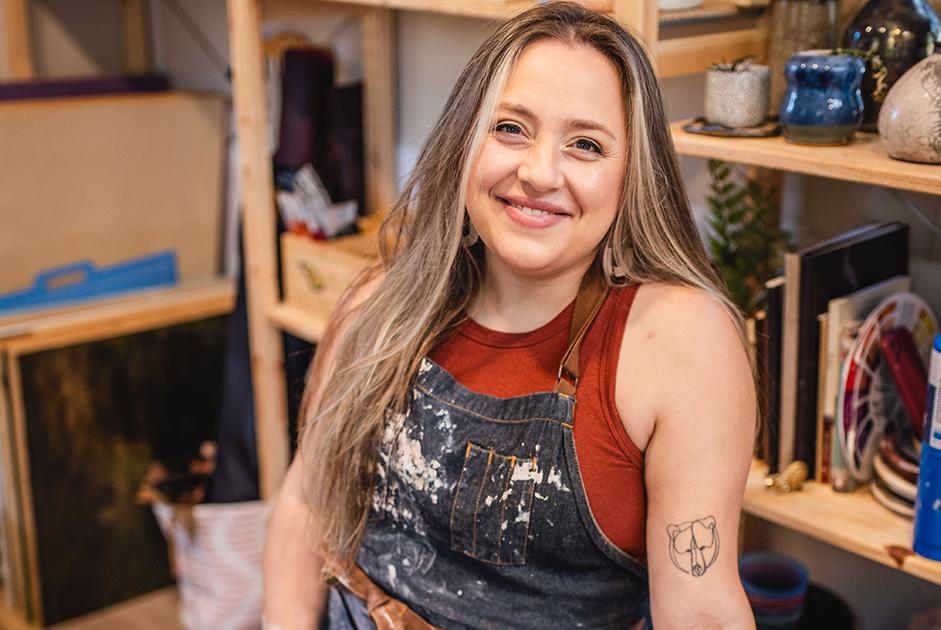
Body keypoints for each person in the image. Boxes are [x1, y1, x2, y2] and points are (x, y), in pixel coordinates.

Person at [263, 3, 757, 629]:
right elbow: (306, 506)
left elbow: (703, 613)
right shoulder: (380, 303)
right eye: (510, 129)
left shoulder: (682, 344)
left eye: (586, 144)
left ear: (633, 175)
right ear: (463, 144)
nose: (539, 172)